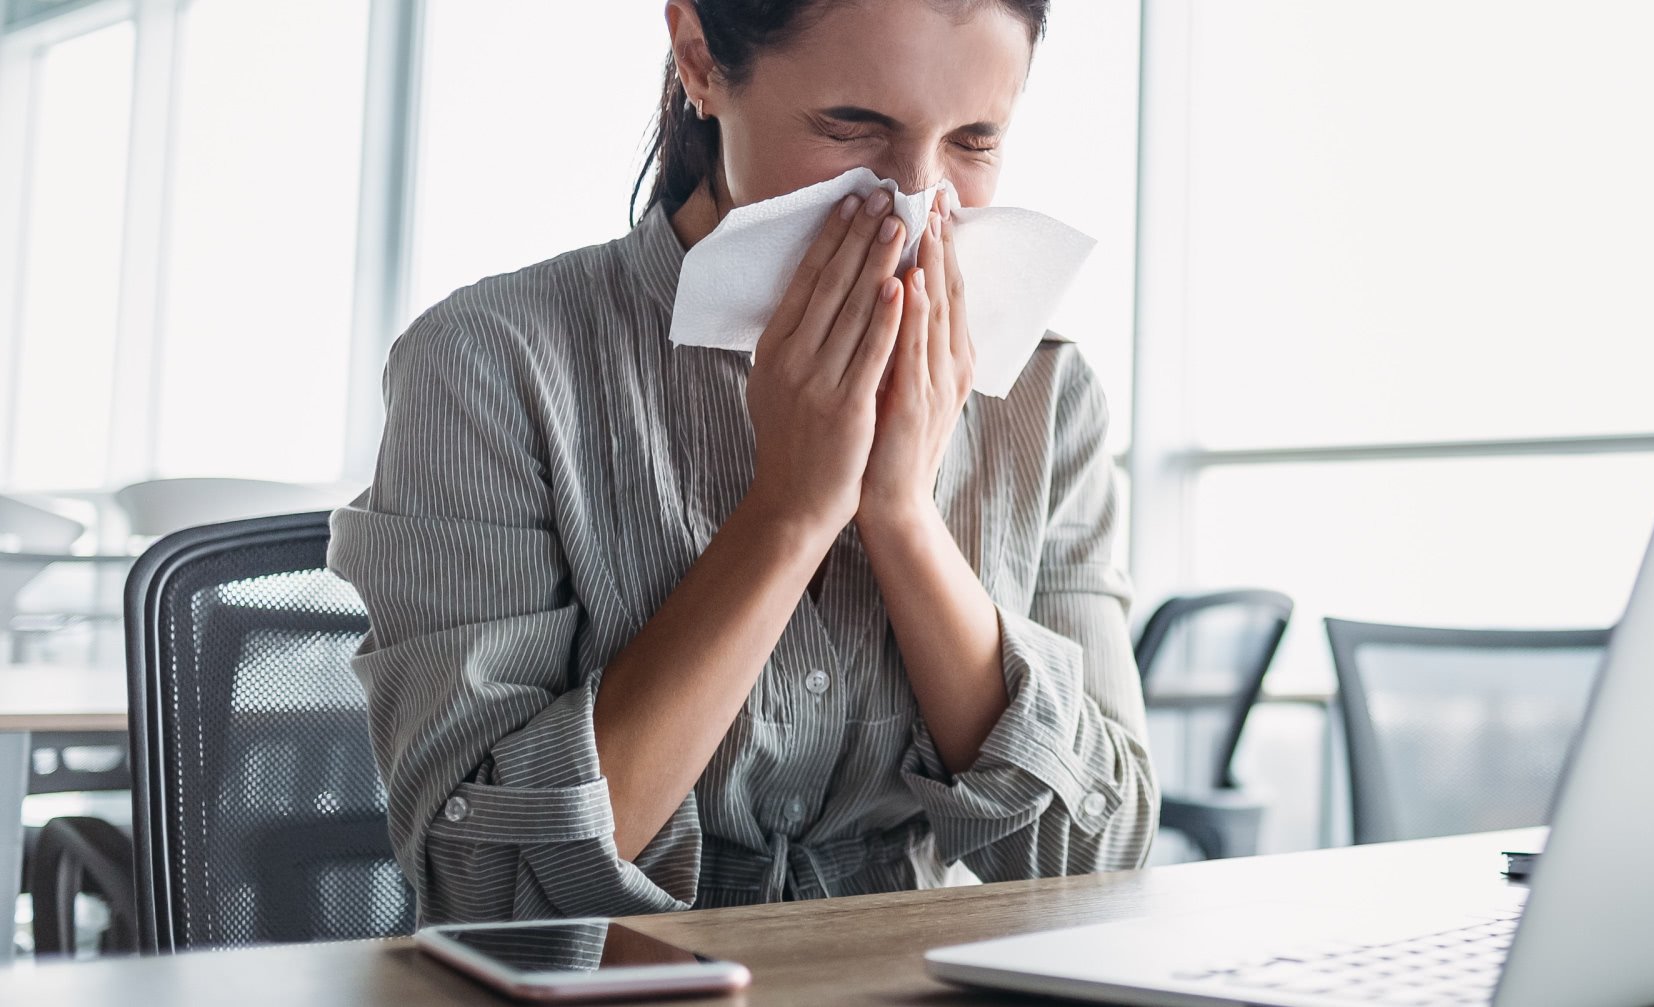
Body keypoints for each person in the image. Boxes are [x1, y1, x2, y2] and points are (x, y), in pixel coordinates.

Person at [328, 0, 1155, 923]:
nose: (916, 201)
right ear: (699, 60)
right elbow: (483, 880)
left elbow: (1105, 851)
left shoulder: (1046, 392)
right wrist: (791, 514)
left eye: (974, 141)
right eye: (853, 126)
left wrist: (904, 518)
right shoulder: (492, 365)